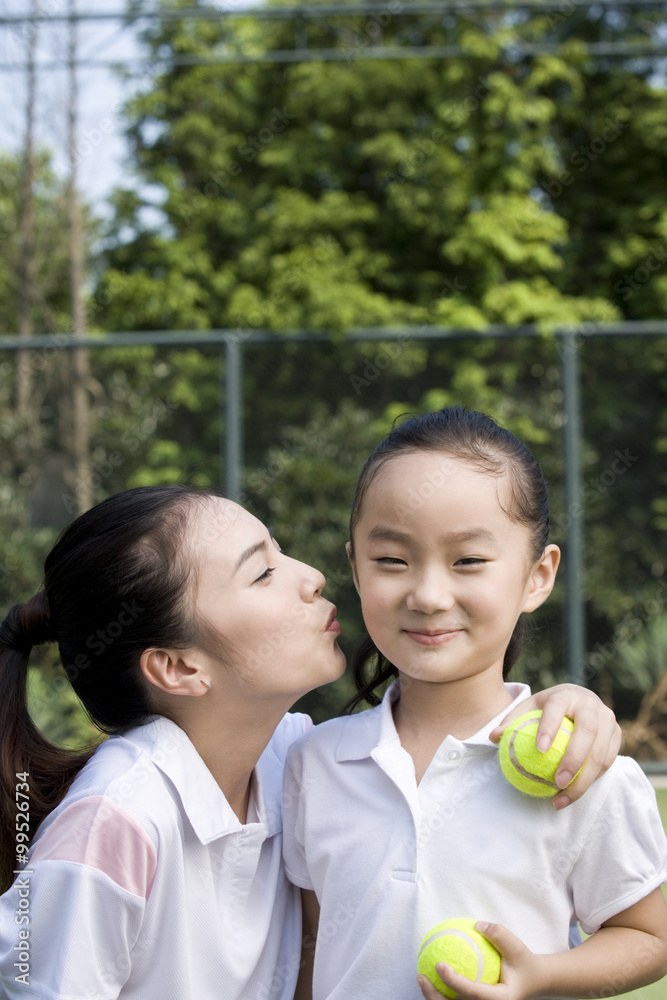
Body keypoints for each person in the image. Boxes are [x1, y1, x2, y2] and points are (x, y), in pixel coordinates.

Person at [0, 482, 621, 999]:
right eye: (263, 573)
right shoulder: (114, 821)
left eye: (281, 551)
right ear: (180, 668)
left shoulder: (292, 758)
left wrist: (574, 705)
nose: (312, 576)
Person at [282, 406, 667, 1000]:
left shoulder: (581, 768)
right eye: (391, 560)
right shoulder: (312, 763)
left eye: (468, 561)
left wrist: (542, 976)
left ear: (537, 577)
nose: (429, 595)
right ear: (355, 569)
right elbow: (312, 944)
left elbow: (650, 937)